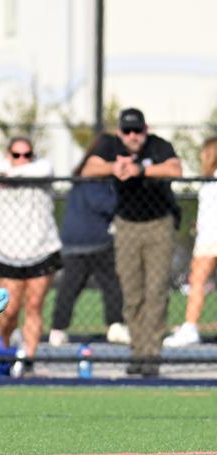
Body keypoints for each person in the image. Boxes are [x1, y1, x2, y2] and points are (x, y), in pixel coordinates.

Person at [81, 108, 182, 377]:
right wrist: (113, 167)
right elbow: (88, 168)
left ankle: (152, 354)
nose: (133, 136)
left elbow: (175, 169)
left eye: (138, 130)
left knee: (156, 292)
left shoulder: (158, 145)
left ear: (145, 129)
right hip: (126, 227)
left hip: (159, 225)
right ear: (119, 132)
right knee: (132, 293)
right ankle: (138, 352)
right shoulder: (110, 145)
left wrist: (141, 170)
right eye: (127, 131)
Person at [0, 136, 61, 377]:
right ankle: (2, 352)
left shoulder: (41, 169)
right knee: (8, 311)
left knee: (34, 306)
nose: (22, 159)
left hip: (42, 249)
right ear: (7, 155)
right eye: (16, 155)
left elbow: (44, 169)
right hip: (8, 252)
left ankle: (28, 360)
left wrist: (10, 173)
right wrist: (6, 170)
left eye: (27, 155)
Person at [48, 135, 130, 347]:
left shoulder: (83, 176)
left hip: (79, 240)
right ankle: (111, 325)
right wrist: (123, 197)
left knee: (74, 287)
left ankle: (59, 329)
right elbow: (106, 205)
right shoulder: (93, 179)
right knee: (100, 285)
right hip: (91, 241)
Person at [164, 136, 217, 347]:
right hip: (207, 234)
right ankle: (190, 327)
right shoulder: (208, 179)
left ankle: (190, 326)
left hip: (210, 237)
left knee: (197, 282)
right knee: (197, 281)